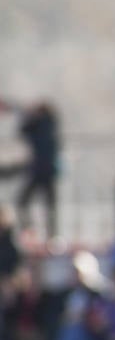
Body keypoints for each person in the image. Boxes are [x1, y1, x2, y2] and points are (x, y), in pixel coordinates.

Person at [14, 102, 60, 241]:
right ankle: (50, 234)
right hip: (46, 171)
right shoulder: (49, 125)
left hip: (40, 170)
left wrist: (27, 116)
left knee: (25, 201)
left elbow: (23, 130)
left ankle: (33, 230)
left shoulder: (41, 125)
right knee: (49, 205)